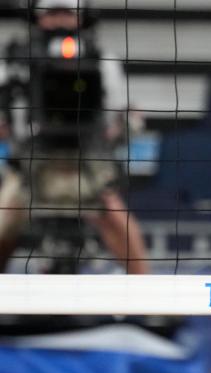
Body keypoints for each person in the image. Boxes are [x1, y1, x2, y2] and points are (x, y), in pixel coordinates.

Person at [0, 0, 148, 274]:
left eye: (67, 14)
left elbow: (121, 113)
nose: (59, 22)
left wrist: (120, 126)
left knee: (118, 221)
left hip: (87, 162)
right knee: (4, 221)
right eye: (52, 14)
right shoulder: (14, 63)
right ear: (37, 18)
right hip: (32, 164)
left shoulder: (103, 62)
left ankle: (151, 297)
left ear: (82, 18)